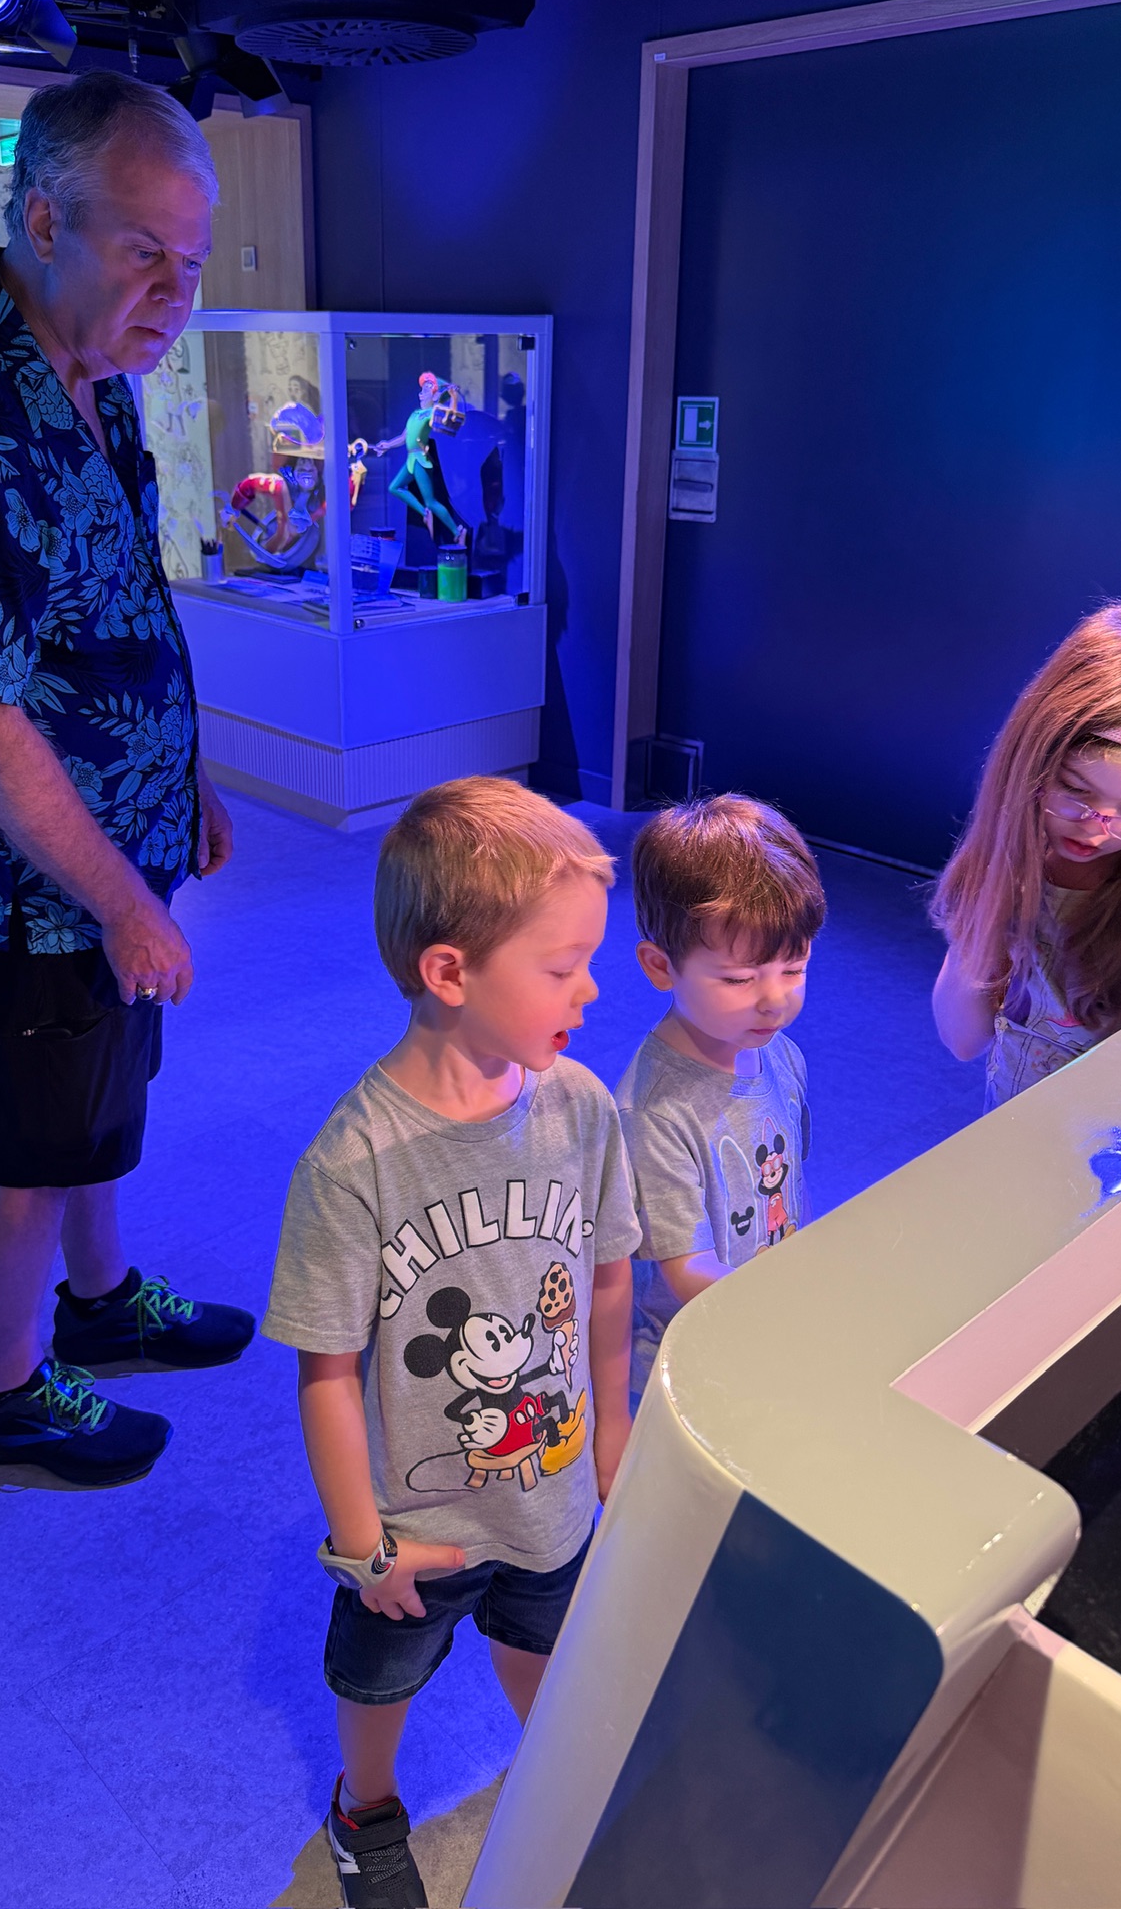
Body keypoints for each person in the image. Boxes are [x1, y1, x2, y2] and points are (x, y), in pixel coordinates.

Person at [0, 71, 255, 1488]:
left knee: (97, 1106)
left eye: (191, 260)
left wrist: (186, 782)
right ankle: (8, 1388)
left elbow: (116, 614)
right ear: (42, 220)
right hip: (37, 887)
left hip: (120, 844)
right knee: (32, 1145)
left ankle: (102, 1300)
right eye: (146, 253)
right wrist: (123, 904)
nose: (175, 293)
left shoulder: (94, 372)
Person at [262, 778, 639, 1909]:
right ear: (449, 971)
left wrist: (612, 1429)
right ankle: (364, 1808)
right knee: (380, 1683)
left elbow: (609, 1277)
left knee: (546, 1648)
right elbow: (328, 1372)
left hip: (550, 1490)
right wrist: (362, 1544)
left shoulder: (580, 1106)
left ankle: (559, 1785)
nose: (591, 987)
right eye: (562, 966)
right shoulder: (353, 1163)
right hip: (414, 1527)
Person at [931, 602, 1121, 1107]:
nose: (1096, 830)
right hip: (1010, 1118)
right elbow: (963, 1040)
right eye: (1075, 789)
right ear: (1032, 762)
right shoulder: (1016, 853)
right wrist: (984, 928)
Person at [618, 795, 825, 1400]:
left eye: (794, 968)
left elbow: (790, 1182)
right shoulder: (652, 1113)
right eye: (738, 979)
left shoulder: (781, 1053)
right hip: (690, 1365)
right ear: (661, 966)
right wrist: (792, 1301)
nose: (774, 1000)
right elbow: (686, 1269)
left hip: (766, 1327)